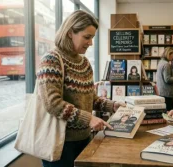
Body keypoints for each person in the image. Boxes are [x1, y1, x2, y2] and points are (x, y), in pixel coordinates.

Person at [37, 10, 125, 167]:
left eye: (92, 38)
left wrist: (113, 105)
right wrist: (89, 118)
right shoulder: (51, 60)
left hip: (84, 139)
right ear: (71, 33)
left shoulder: (84, 64)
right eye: (87, 37)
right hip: (59, 144)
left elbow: (91, 98)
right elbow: (52, 103)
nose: (90, 43)